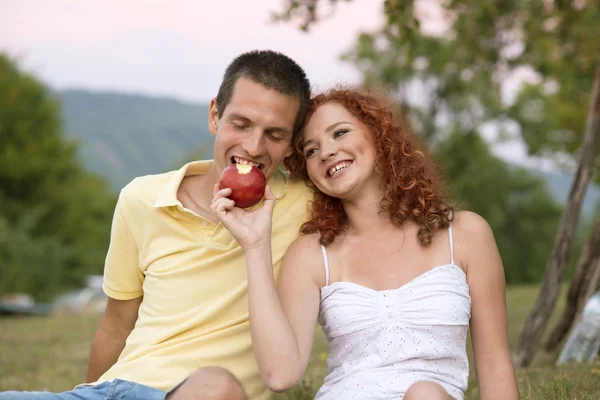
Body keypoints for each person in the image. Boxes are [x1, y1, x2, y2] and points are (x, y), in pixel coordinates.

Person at [0, 50, 313, 400]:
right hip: (116, 390)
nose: (253, 146)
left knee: (215, 387)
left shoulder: (307, 208)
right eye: (240, 125)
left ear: (291, 145)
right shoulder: (142, 198)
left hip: (205, 393)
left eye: (274, 134)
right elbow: (116, 326)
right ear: (215, 116)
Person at [211, 87, 520, 399]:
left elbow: (495, 365)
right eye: (312, 150)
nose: (327, 151)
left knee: (424, 394)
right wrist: (254, 246)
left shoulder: (466, 234)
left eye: (340, 133)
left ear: (378, 135)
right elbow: (280, 375)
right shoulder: (311, 255)